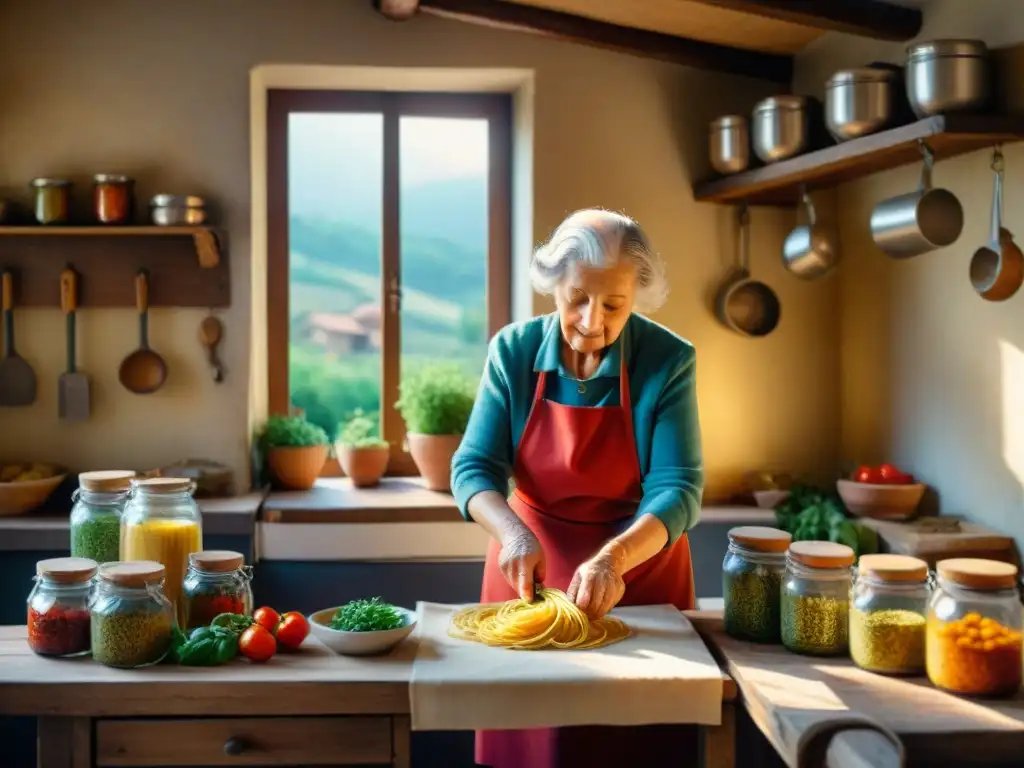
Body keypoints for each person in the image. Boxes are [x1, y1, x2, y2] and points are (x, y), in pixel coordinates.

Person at [450, 208, 705, 768]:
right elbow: (472, 469)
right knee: (530, 740)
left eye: (613, 304)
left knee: (636, 745)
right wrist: (513, 535)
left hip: (638, 572)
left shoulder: (668, 361)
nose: (592, 320)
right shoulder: (513, 352)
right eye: (576, 299)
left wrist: (614, 559)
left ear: (636, 294)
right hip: (528, 573)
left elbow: (679, 487)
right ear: (553, 288)